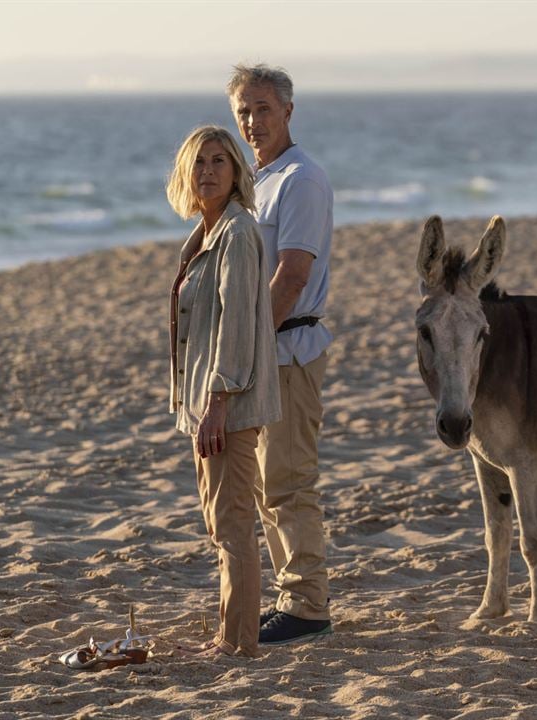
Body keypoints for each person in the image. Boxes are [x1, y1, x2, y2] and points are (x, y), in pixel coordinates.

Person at [226, 63, 335, 645]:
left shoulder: (302, 180)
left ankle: (308, 607)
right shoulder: (254, 179)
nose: (252, 120)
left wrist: (248, 349)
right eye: (243, 110)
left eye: (263, 108)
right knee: (267, 484)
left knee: (289, 480)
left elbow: (292, 275)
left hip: (287, 349)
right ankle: (295, 595)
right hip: (263, 350)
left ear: (289, 112)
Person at [166, 125, 281, 657]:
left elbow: (235, 327)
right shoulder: (208, 233)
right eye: (199, 163)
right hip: (208, 407)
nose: (207, 172)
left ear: (236, 170)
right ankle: (229, 634)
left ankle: (240, 644)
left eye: (218, 161)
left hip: (227, 407)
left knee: (233, 523)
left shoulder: (236, 232)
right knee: (222, 521)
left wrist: (217, 402)